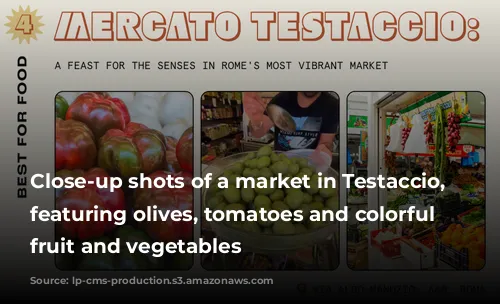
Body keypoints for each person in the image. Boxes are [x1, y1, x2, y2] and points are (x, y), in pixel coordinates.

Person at [243, 92, 338, 158]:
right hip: (279, 165)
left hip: (309, 166)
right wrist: (255, 119)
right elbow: (258, 133)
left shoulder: (332, 105)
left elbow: (325, 143)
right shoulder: (281, 99)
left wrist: (324, 151)